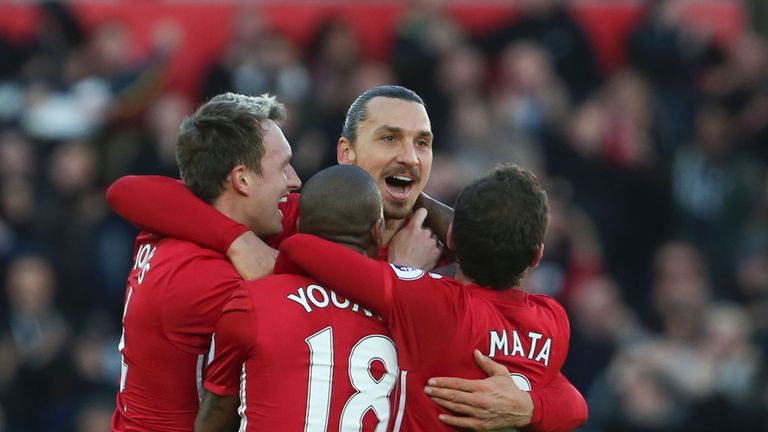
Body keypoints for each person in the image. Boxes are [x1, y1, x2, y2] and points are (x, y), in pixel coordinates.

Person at [107, 85, 586, 430]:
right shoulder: (296, 219)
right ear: (346, 153)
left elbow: (551, 380)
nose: (410, 157)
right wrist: (235, 239)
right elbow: (130, 190)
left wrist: (528, 404)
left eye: (423, 143)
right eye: (389, 138)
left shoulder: (451, 249)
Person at [277, 164, 588, 431]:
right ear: (537, 256)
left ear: (451, 238)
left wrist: (400, 267)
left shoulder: (436, 304)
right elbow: (575, 405)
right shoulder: (553, 319)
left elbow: (301, 247)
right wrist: (533, 406)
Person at [110, 92, 302, 431]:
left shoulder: (170, 223)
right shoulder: (201, 278)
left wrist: (234, 237)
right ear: (242, 179)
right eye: (283, 166)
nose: (295, 180)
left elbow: (126, 190)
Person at [195, 164, 401, 431]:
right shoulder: (408, 311)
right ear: (377, 230)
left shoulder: (251, 301)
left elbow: (213, 421)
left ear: (300, 226)